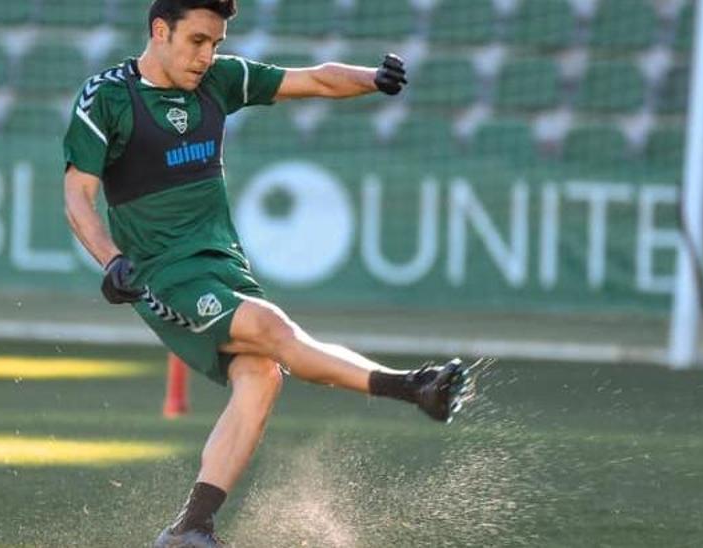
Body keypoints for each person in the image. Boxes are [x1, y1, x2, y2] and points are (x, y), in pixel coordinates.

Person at [60, 1, 476, 546]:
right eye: (197, 41)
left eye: (216, 43)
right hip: (162, 273)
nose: (208, 55)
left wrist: (372, 79)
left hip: (223, 264)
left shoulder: (220, 79)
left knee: (260, 377)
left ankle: (191, 527)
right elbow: (78, 196)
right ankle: (410, 386)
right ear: (160, 31)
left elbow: (316, 82)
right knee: (275, 331)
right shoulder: (108, 96)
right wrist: (112, 259)